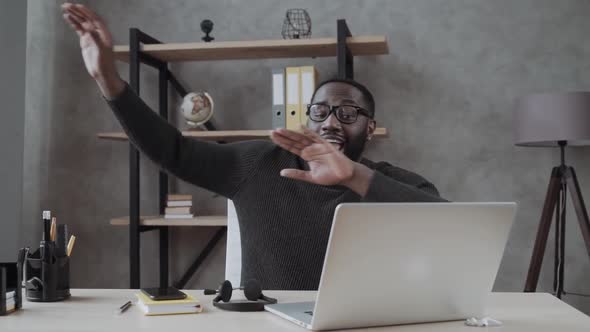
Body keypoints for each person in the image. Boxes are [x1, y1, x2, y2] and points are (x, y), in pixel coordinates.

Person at [61, 3, 447, 290]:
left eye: (349, 113)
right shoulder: (258, 162)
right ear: (307, 117)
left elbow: (449, 224)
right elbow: (172, 151)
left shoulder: (388, 183)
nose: (331, 121)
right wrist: (109, 80)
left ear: (371, 127)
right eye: (321, 111)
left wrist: (357, 177)